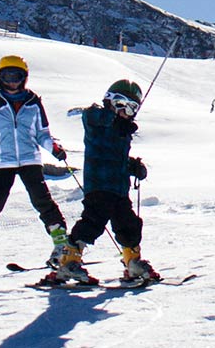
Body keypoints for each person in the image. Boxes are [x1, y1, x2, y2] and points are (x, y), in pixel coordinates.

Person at [0, 55, 68, 270]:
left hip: (30, 159)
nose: (12, 82)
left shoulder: (33, 102)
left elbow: (42, 133)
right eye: (7, 77)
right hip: (3, 161)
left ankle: (62, 246)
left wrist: (53, 148)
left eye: (16, 76)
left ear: (24, 78)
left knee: (43, 201)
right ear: (0, 78)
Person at [51, 79, 160, 284]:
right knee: (93, 221)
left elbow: (115, 157)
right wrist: (114, 119)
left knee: (129, 224)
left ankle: (132, 261)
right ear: (108, 100)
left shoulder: (122, 131)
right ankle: (68, 261)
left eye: (131, 108)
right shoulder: (95, 117)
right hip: (99, 185)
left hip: (118, 187)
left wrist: (132, 167)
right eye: (120, 104)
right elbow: (96, 118)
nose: (124, 111)